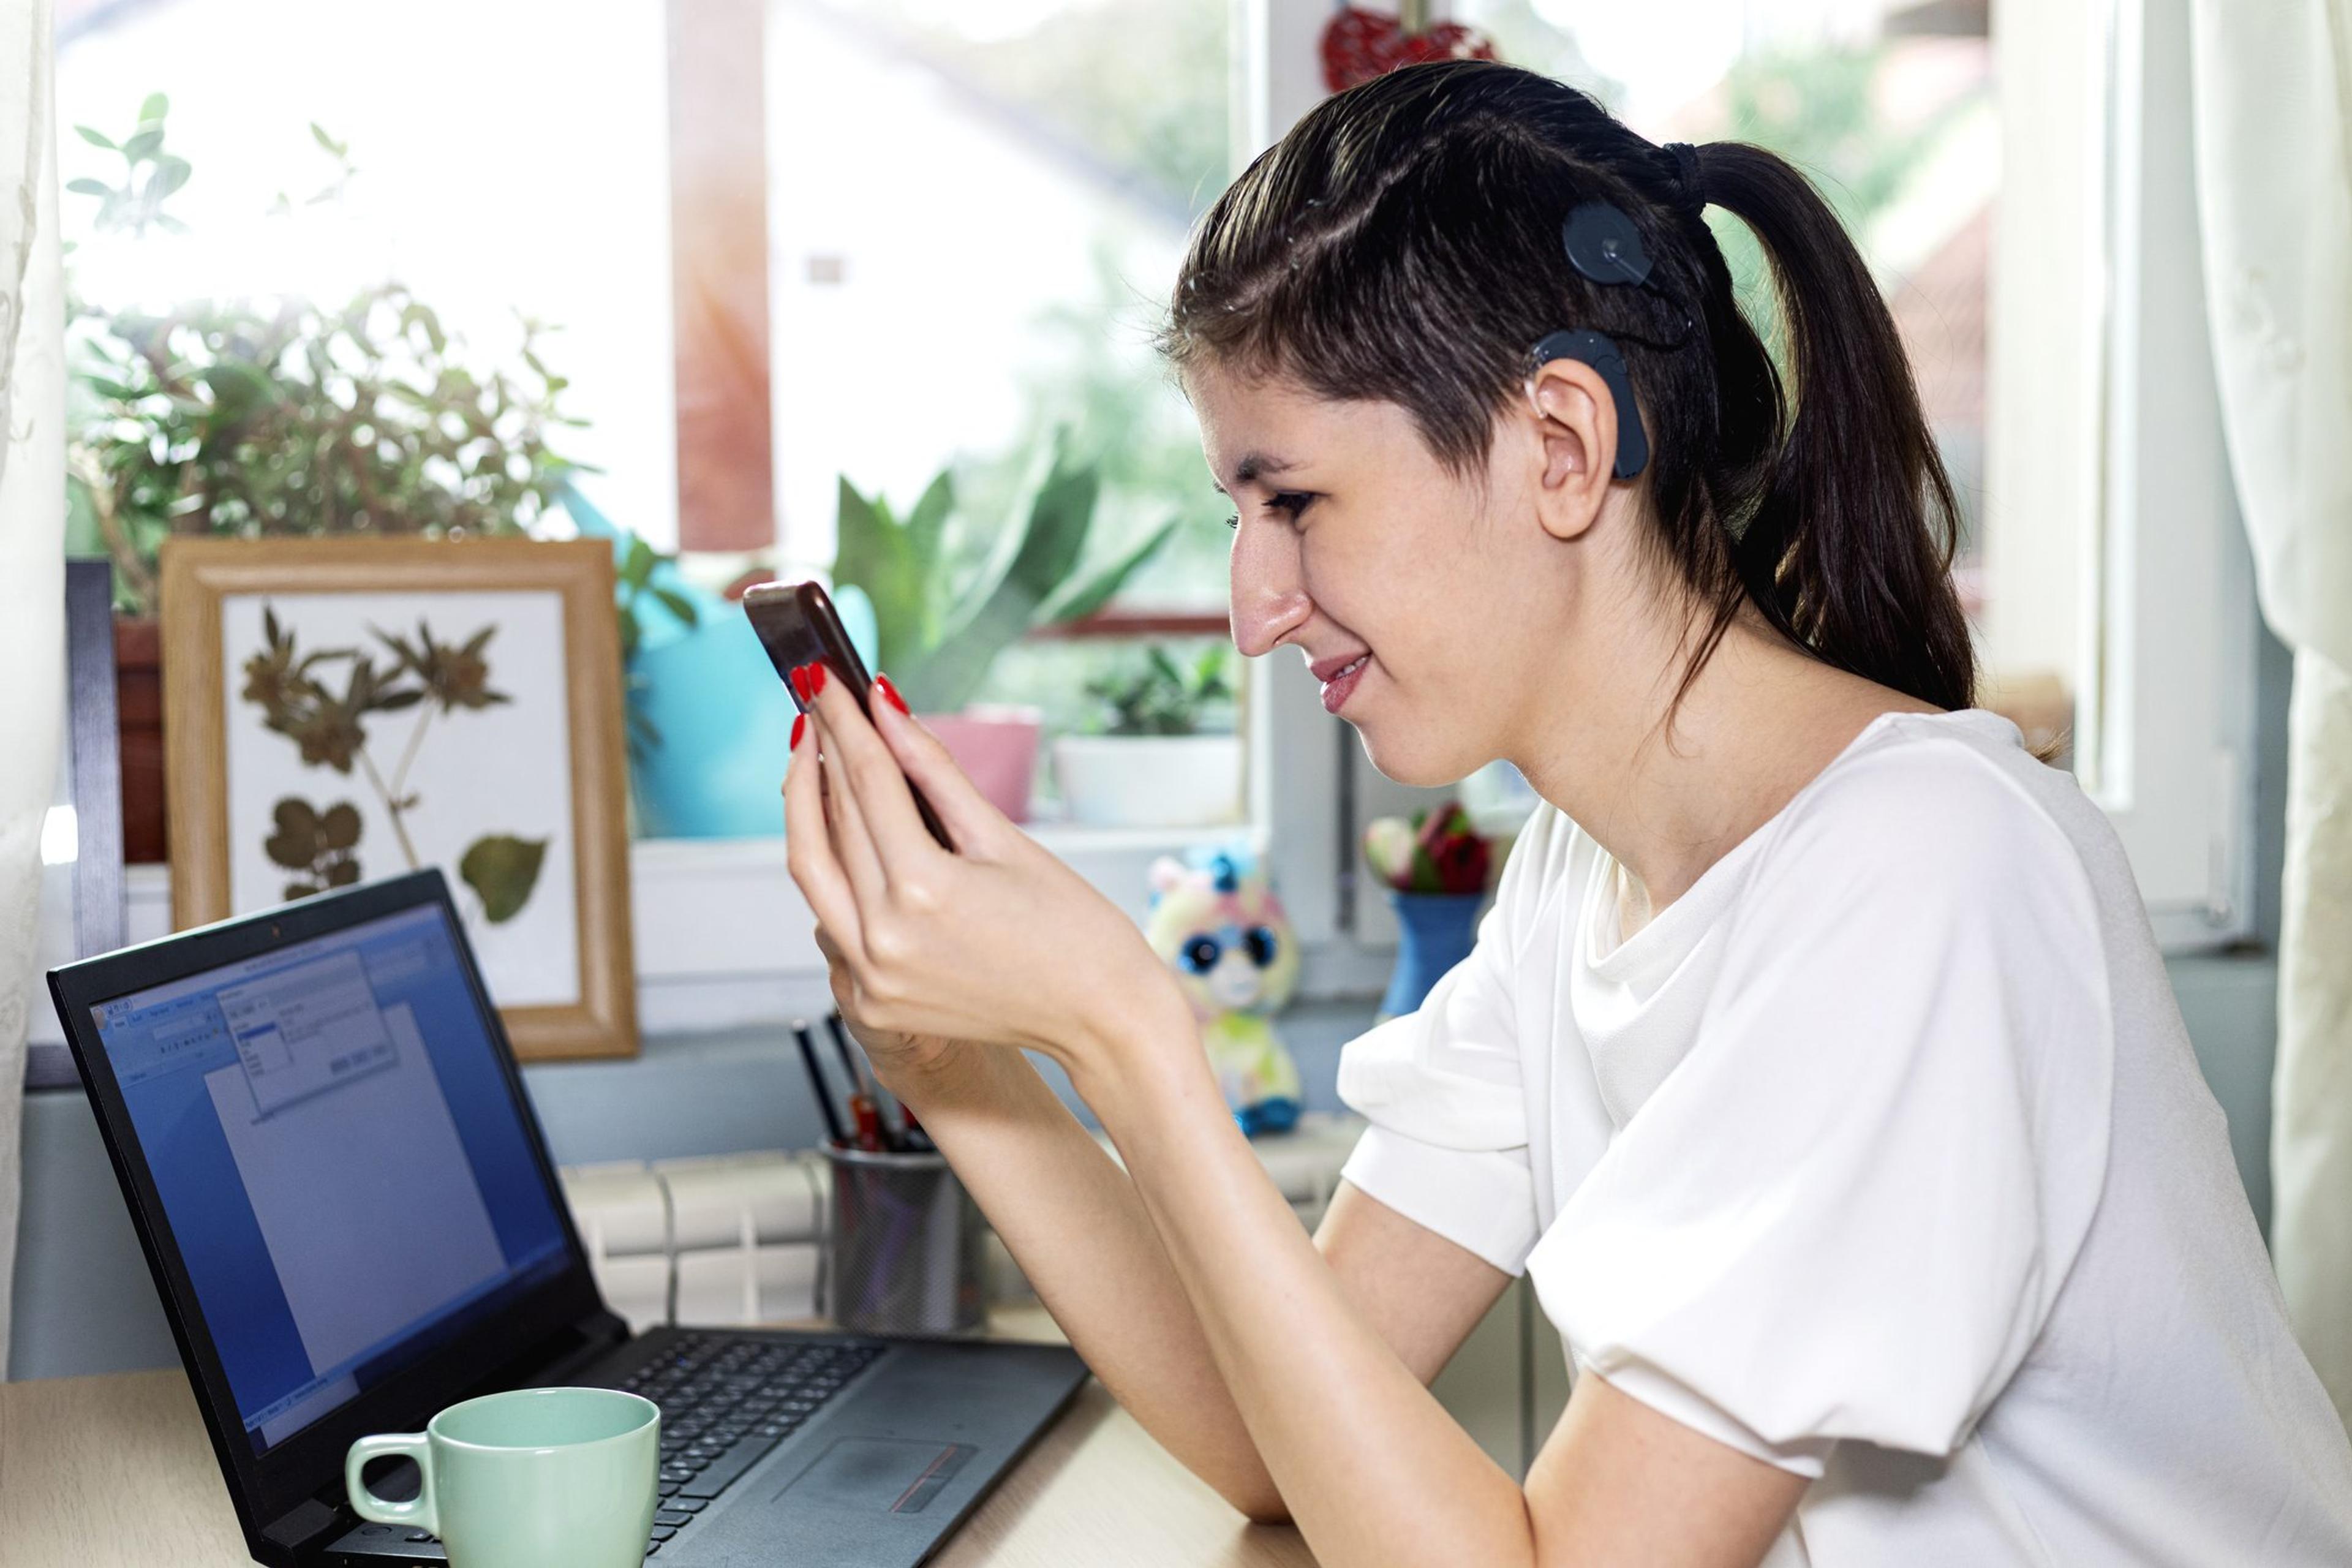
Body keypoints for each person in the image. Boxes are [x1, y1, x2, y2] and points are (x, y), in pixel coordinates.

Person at [778, 59, 2352, 1568]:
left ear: (1559, 445)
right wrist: (956, 1051)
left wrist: (1132, 1025)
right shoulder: (1579, 875)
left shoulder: (1922, 874)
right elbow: (1271, 1429)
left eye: (1295, 501)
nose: (1254, 605)